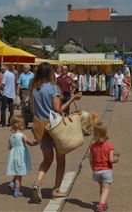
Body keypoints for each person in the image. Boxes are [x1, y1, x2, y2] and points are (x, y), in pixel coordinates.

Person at [30, 63, 82, 203]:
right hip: (55, 127)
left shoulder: (35, 89)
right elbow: (58, 109)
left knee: (47, 160)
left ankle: (37, 183)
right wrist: (72, 98)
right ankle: (56, 189)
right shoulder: (53, 88)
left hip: (41, 126)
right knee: (61, 159)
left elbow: (33, 111)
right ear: (50, 74)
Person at [89, 122, 118, 212]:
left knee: (102, 187)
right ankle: (100, 206)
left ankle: (103, 203)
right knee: (106, 189)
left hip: (96, 171)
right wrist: (116, 159)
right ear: (106, 133)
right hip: (106, 171)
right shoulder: (109, 146)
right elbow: (111, 160)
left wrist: (92, 168)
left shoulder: (92, 147)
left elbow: (90, 160)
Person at [6, 116, 37, 197]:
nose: (25, 125)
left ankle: (12, 184)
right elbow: (30, 143)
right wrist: (37, 142)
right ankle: (16, 191)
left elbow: (9, 147)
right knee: (19, 175)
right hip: (21, 157)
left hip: (13, 157)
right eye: (23, 124)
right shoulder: (21, 135)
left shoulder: (11, 136)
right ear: (18, 125)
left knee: (17, 171)